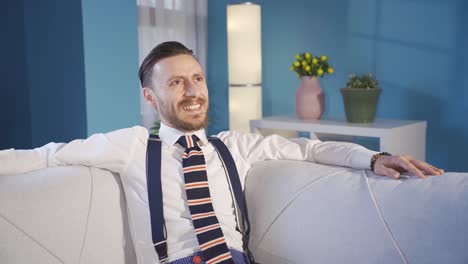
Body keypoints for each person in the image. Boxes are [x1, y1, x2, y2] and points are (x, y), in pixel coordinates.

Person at [0, 41, 444, 264]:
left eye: (197, 78)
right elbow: (46, 155)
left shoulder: (234, 145)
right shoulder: (130, 145)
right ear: (150, 98)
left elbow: (309, 150)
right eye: (175, 82)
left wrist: (370, 159)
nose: (193, 91)